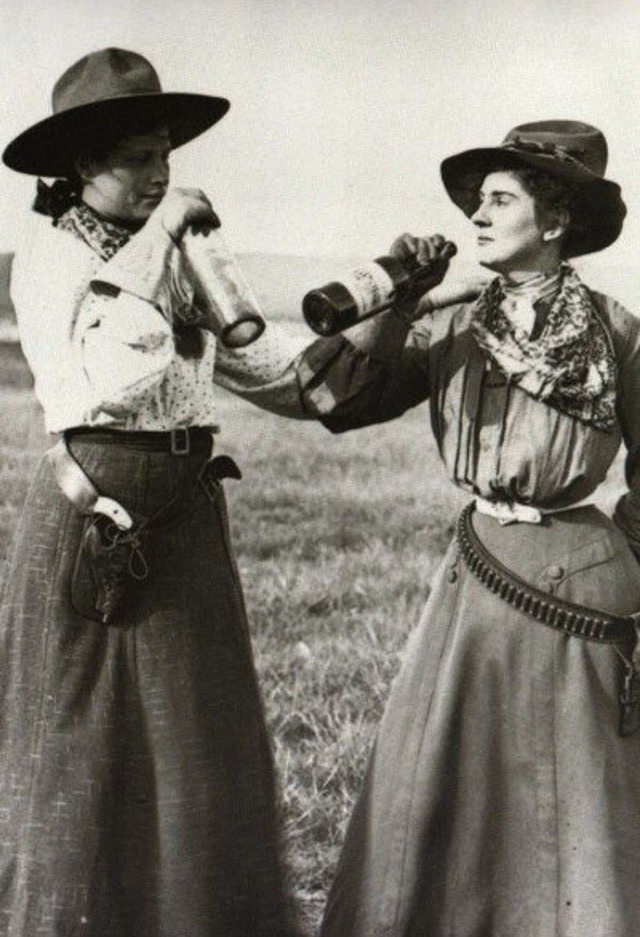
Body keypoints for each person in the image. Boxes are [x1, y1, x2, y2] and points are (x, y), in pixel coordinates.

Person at [0, 46, 458, 936]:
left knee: (193, 753)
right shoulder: (49, 257)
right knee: (82, 752)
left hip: (183, 524)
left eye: (167, 156)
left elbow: (292, 381)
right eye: (139, 158)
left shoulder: (187, 259)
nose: (161, 174)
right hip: (96, 526)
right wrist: (163, 232)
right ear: (82, 165)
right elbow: (103, 381)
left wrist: (394, 298)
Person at [302, 122, 640, 936]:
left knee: (568, 806)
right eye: (476, 202)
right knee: (440, 788)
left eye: (500, 199)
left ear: (554, 221)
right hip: (475, 581)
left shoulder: (618, 332)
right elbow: (337, 401)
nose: (477, 218)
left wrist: (631, 559)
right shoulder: (452, 325)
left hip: (578, 587)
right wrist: (400, 298)